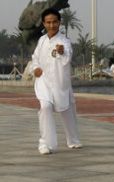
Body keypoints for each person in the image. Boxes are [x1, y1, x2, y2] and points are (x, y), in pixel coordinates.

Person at [30, 8, 81, 155]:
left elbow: (67, 55)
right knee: (45, 107)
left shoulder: (64, 41)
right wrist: (36, 68)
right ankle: (46, 143)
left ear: (59, 23)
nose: (52, 25)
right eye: (48, 22)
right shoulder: (42, 40)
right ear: (43, 23)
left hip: (60, 83)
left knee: (66, 110)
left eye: (54, 22)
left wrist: (61, 51)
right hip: (44, 82)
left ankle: (73, 140)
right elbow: (35, 58)